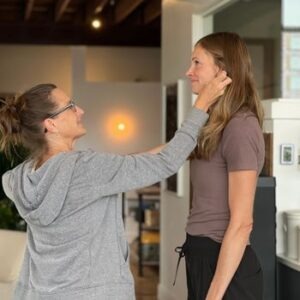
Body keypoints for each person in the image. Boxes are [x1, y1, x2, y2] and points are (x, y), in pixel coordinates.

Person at [0, 72, 230, 300]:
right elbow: (164, 163)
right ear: (50, 124)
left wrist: (181, 146)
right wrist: (202, 104)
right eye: (70, 106)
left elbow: (122, 167)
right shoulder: (86, 169)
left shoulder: (18, 179)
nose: (80, 111)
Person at [178, 31, 265, 300]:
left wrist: (214, 295)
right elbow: (170, 152)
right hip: (202, 257)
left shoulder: (241, 127)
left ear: (222, 70)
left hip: (226, 268)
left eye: (197, 63)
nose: (188, 71)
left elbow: (242, 223)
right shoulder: (213, 124)